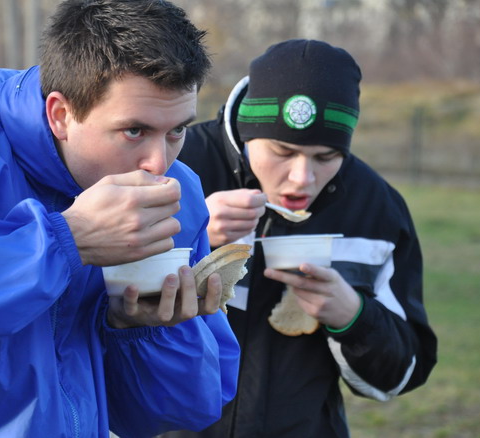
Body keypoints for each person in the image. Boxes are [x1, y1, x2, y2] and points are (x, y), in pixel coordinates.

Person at [0, 1, 241, 437]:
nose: (159, 163)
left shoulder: (178, 195)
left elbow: (179, 412)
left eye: (176, 131)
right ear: (61, 114)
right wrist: (64, 241)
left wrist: (143, 332)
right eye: (135, 131)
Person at [162, 39, 438, 437]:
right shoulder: (177, 161)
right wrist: (194, 234)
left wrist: (354, 317)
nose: (302, 177)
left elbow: (403, 374)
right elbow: (95, 305)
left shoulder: (374, 207)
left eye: (326, 157)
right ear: (247, 132)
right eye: (282, 151)